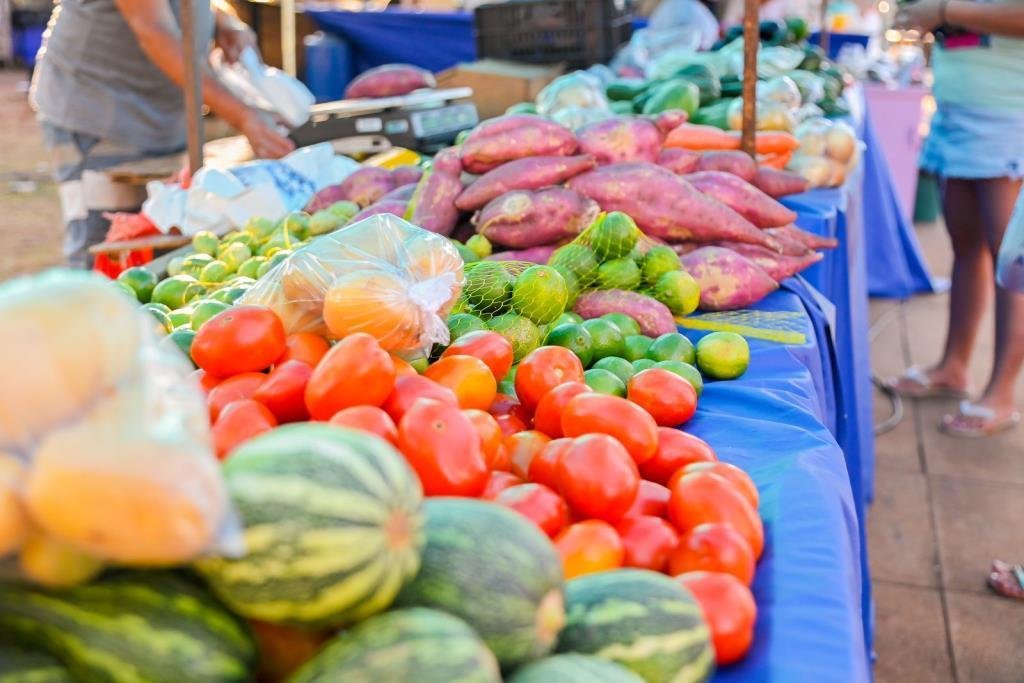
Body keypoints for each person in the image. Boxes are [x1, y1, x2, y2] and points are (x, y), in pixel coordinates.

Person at [30, 0, 295, 269]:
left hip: (161, 118)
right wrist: (243, 115)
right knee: (102, 249)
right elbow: (152, 28)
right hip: (98, 117)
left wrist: (221, 20)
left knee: (155, 238)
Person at [888, 1, 1024, 437]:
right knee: (967, 247)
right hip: (956, 111)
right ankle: (954, 366)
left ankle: (1001, 393)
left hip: (1008, 116)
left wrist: (942, 10)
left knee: (1012, 262)